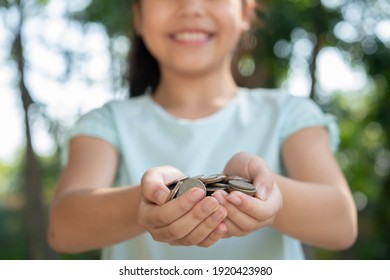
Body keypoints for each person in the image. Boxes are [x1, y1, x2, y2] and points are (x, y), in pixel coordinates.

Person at [48, 0, 357, 259]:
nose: (191, 7)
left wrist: (262, 191)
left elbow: (341, 224)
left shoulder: (289, 113)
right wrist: (149, 202)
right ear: (139, 16)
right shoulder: (108, 122)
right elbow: (62, 228)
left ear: (245, 12)